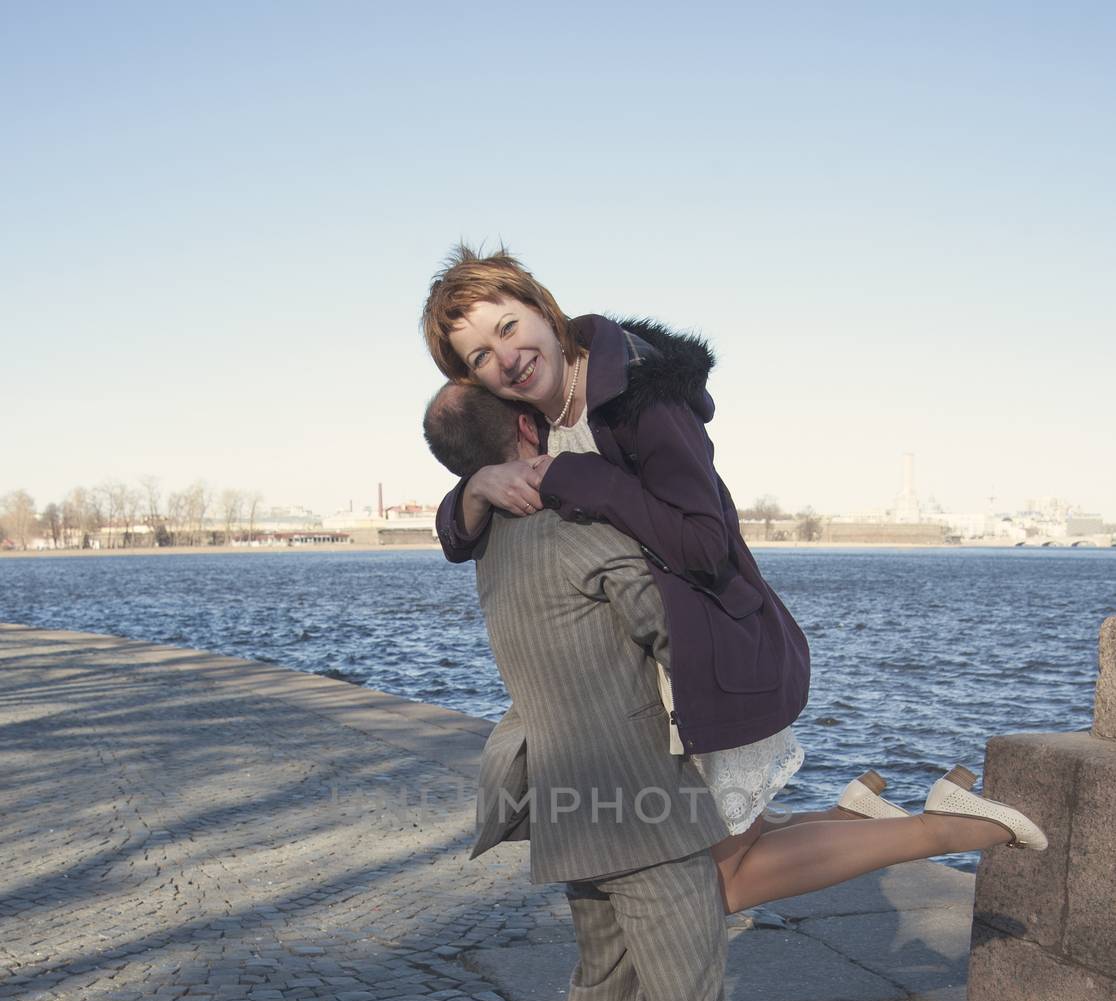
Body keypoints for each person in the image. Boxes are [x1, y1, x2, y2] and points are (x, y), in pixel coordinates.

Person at [420, 247, 1047, 915]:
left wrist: (587, 480)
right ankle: (860, 815)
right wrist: (476, 489)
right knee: (733, 843)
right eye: (480, 356)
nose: (505, 357)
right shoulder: (538, 422)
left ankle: (955, 827)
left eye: (508, 328)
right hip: (652, 684)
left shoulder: (641, 400)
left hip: (711, 656)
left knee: (723, 881)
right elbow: (460, 541)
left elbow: (704, 541)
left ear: (543, 308)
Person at [423, 380, 794, 1001]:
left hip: (569, 801)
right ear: (521, 432)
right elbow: (675, 630)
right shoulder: (579, 531)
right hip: (637, 803)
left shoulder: (494, 542)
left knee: (603, 994)